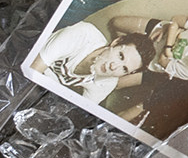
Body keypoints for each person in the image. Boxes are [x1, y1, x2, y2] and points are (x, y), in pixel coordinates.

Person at [30, 27, 159, 104]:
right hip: (26, 56)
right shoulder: (83, 35)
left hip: (42, 88)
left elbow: (78, 112)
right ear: (116, 42)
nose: (113, 67)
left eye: (124, 69)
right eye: (120, 56)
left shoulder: (108, 82)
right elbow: (32, 72)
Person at [105, 13, 188, 82]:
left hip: (149, 59)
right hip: (157, 31)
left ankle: (122, 48)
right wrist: (169, 41)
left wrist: (174, 31)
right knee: (116, 22)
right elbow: (176, 19)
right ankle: (124, 45)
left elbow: (162, 61)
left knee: (113, 77)